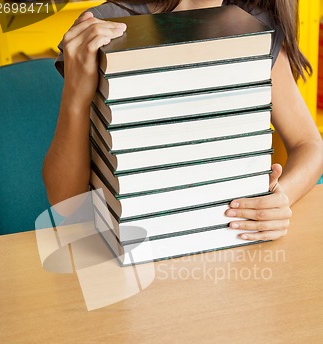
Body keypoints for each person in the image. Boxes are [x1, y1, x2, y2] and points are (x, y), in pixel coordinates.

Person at [43, 0, 323, 242]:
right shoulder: (105, 25)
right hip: (127, 251)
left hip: (228, 238)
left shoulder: (256, 26)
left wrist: (279, 199)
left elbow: (309, 144)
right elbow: (66, 204)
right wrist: (75, 98)